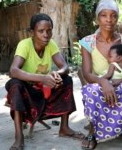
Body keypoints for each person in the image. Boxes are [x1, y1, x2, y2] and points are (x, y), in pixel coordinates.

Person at [5, 13, 85, 150]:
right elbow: (14, 71)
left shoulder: (51, 44)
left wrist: (56, 74)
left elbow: (64, 67)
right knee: (15, 84)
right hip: (26, 89)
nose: (46, 35)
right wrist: (43, 78)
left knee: (67, 80)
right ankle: (19, 137)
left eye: (49, 31)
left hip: (43, 88)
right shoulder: (24, 45)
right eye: (41, 31)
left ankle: (64, 128)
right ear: (32, 32)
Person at [79, 0, 122, 150]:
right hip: (99, 83)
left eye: (113, 15)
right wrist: (104, 83)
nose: (109, 19)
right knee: (90, 90)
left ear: (117, 18)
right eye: (104, 15)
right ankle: (93, 131)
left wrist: (117, 82)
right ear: (97, 18)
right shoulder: (87, 42)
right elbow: (87, 74)